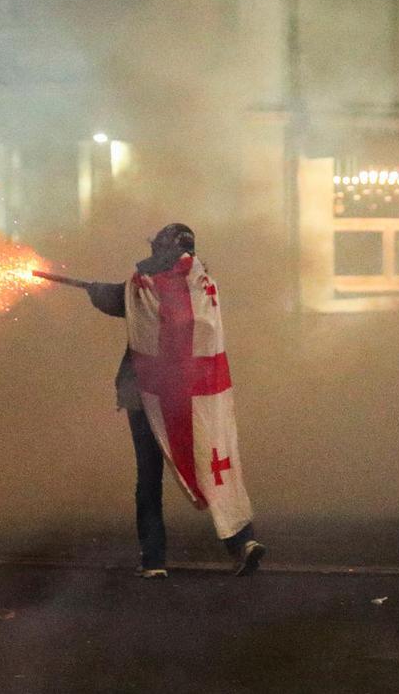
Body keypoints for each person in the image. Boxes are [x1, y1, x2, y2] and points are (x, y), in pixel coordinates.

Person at [85, 223, 265, 578]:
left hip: (147, 396)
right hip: (197, 398)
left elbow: (114, 299)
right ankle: (242, 542)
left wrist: (93, 290)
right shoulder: (203, 285)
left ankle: (154, 562)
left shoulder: (143, 288)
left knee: (149, 479)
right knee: (214, 465)